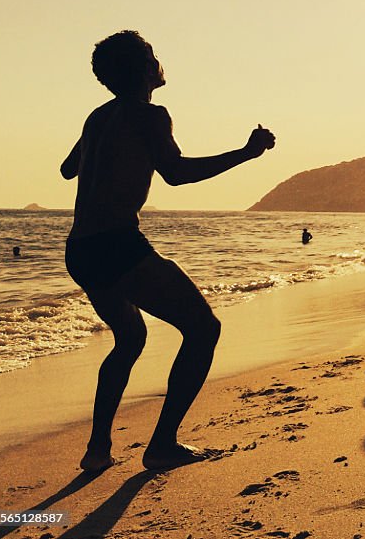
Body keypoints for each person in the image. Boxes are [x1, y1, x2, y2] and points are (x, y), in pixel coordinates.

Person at [61, 31, 275, 471]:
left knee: (130, 338)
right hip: (118, 244)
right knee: (203, 328)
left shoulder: (98, 117)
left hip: (80, 249)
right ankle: (161, 445)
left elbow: (68, 169)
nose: (160, 61)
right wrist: (246, 153)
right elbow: (175, 175)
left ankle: (98, 450)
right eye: (153, 55)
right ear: (144, 68)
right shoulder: (151, 115)